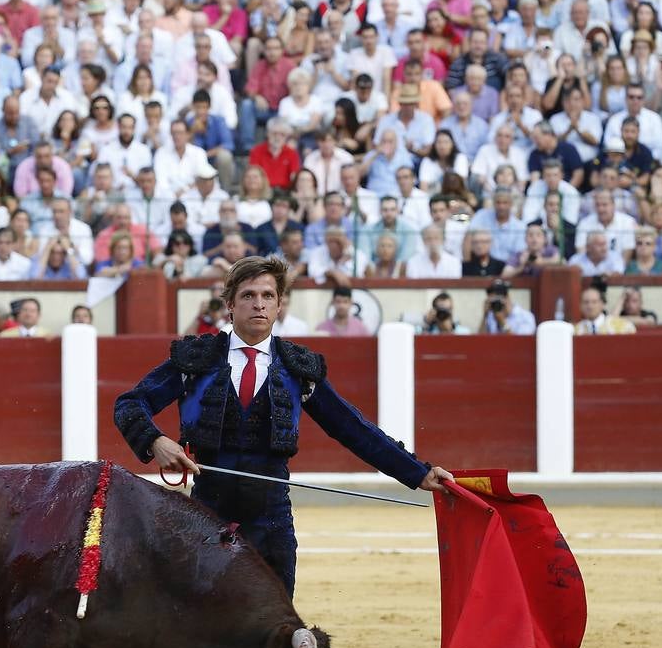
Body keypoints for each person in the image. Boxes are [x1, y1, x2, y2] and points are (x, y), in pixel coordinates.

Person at [113, 253, 452, 609]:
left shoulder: (296, 368)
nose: (258, 304)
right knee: (204, 625)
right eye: (248, 296)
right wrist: (156, 440)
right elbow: (129, 404)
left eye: (267, 296)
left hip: (271, 516)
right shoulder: (196, 360)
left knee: (271, 624)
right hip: (209, 512)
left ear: (279, 305)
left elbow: (352, 428)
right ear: (230, 304)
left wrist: (418, 472)